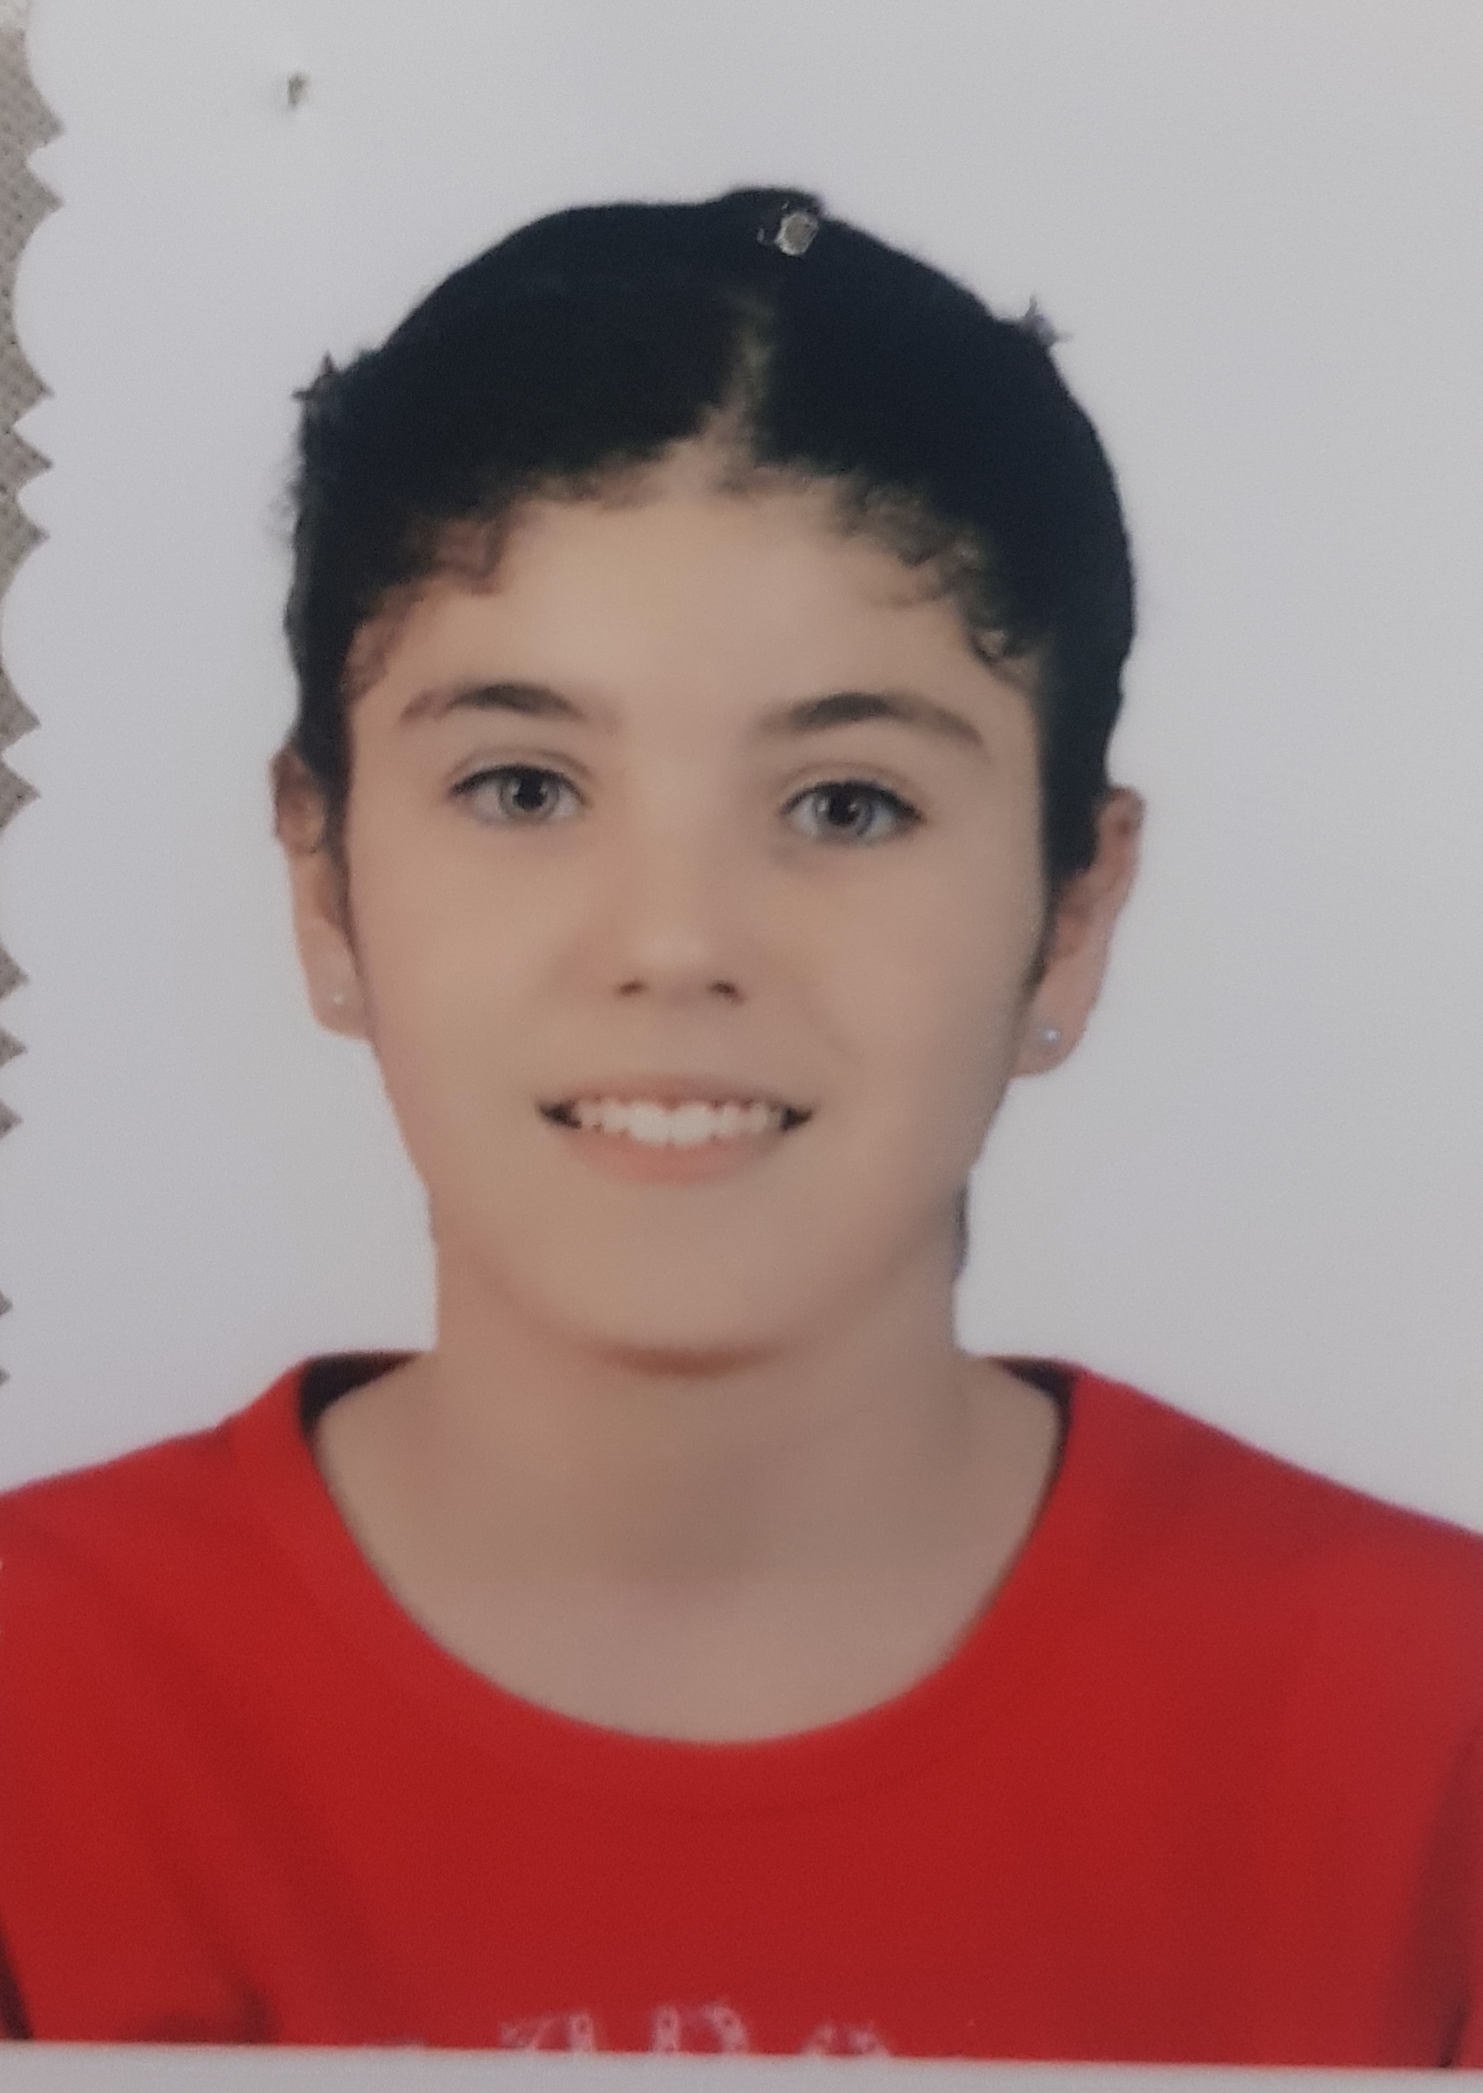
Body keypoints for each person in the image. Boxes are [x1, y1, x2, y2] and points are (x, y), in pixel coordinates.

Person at [0, 186, 1478, 2062]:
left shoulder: (1432, 1739)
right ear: (323, 879)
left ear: (1073, 910)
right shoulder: (37, 1710)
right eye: (523, 786)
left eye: (848, 803)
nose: (678, 940)